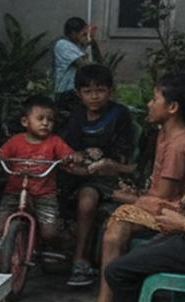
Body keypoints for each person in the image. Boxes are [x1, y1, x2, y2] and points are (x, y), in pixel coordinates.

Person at [70, 73, 185, 302]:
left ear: (172, 107)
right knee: (117, 221)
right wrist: (136, 192)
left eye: (155, 98)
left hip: (178, 213)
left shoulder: (180, 144)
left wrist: (132, 199)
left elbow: (163, 198)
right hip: (172, 210)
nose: (149, 103)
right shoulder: (165, 133)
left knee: (117, 228)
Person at [59, 64, 136, 287]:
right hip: (76, 174)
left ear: (110, 91)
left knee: (87, 201)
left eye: (100, 90)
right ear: (78, 94)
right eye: (88, 92)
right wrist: (77, 157)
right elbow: (68, 146)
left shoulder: (119, 114)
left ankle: (80, 259)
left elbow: (124, 154)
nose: (94, 97)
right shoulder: (76, 115)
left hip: (107, 176)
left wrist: (105, 163)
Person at [0, 95, 79, 245]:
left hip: (44, 194)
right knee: (0, 229)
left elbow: (69, 155)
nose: (45, 123)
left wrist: (72, 157)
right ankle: (1, 257)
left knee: (49, 233)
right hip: (14, 191)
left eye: (50, 120)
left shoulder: (55, 142)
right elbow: (2, 155)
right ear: (25, 121)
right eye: (40, 118)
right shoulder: (16, 141)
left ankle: (65, 241)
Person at [53, 17, 100, 107]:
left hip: (75, 91)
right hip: (67, 92)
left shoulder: (77, 47)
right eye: (84, 34)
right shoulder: (63, 44)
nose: (86, 37)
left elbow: (99, 62)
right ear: (74, 33)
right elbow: (87, 67)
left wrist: (93, 42)